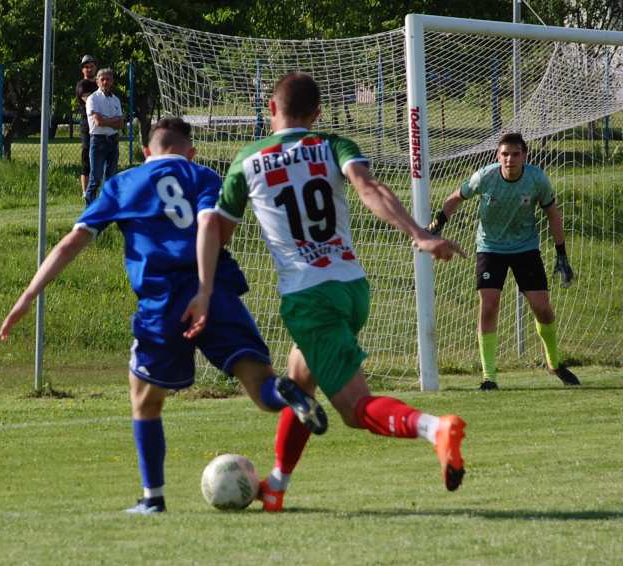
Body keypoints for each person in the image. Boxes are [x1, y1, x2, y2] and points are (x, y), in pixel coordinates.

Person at [0, 117, 328, 515]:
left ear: (145, 152)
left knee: (145, 401)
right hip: (217, 293)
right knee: (262, 390)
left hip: (163, 301)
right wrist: (205, 289)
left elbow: (72, 243)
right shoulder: (204, 176)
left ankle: (152, 497)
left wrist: (29, 293)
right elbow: (214, 227)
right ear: (190, 152)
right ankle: (289, 393)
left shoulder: (122, 184)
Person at [195, 72, 468, 511]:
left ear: (271, 109)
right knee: (301, 380)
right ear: (317, 114)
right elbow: (369, 188)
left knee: (354, 408)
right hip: (351, 287)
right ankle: (277, 487)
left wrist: (204, 277)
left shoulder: (248, 160)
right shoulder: (333, 144)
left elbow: (218, 230)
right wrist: (418, 233)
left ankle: (434, 428)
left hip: (308, 296)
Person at [427, 132, 580, 391]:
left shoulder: (537, 179)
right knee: (489, 305)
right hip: (490, 248)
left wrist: (561, 254)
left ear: (525, 156)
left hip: (525, 248)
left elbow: (553, 214)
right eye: (505, 154)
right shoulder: (484, 177)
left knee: (542, 308)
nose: (509, 159)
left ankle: (554, 363)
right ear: (498, 156)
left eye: (515, 154)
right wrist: (438, 225)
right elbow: (455, 198)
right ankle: (489, 377)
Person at [85, 68, 123, 205]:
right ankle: (89, 210)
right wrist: (111, 120)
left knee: (111, 178)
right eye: (102, 79)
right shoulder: (92, 99)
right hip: (98, 140)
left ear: (112, 81)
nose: (105, 82)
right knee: (95, 179)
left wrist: (106, 120)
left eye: (108, 79)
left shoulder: (115, 100)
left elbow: (120, 124)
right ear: (97, 82)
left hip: (113, 140)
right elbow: (98, 122)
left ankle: (107, 208)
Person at [75, 55, 98, 195]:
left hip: (101, 125)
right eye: (86, 67)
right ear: (83, 70)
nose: (89, 69)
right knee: (87, 157)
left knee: (100, 157)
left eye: (91, 66)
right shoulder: (82, 85)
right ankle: (86, 192)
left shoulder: (100, 82)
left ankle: (99, 189)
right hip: (87, 124)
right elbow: (90, 101)